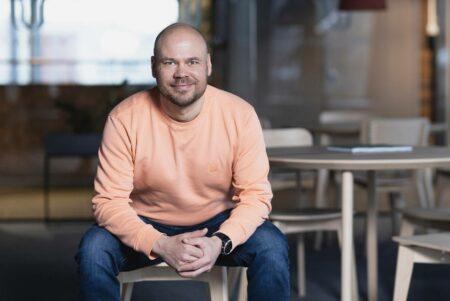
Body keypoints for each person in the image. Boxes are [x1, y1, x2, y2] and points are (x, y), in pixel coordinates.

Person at [75, 23, 290, 301]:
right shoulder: (124, 118)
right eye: (169, 62)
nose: (181, 73)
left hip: (218, 222)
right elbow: (107, 202)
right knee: (93, 251)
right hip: (145, 221)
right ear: (154, 67)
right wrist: (160, 243)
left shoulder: (240, 115)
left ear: (208, 66)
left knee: (272, 246)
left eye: (192, 62)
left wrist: (219, 242)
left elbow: (256, 197)